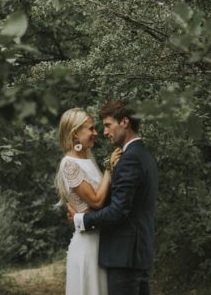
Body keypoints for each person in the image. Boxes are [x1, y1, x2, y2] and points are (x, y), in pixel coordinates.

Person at [70, 101, 158, 295]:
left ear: (125, 122)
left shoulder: (130, 159)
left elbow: (119, 210)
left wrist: (82, 220)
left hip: (124, 257)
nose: (104, 132)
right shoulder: (143, 155)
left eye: (108, 125)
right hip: (137, 254)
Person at [55, 108, 122, 295]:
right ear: (75, 133)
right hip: (88, 245)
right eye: (91, 129)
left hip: (100, 241)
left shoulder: (86, 159)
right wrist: (109, 168)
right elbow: (97, 201)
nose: (95, 133)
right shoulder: (69, 164)